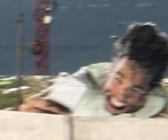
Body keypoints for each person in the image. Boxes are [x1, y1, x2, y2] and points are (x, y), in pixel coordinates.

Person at [18, 22, 168, 117]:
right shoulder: (80, 85)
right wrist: (29, 115)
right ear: (110, 71)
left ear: (148, 94)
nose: (121, 96)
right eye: (117, 79)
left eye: (134, 90)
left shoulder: (157, 102)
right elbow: (34, 107)